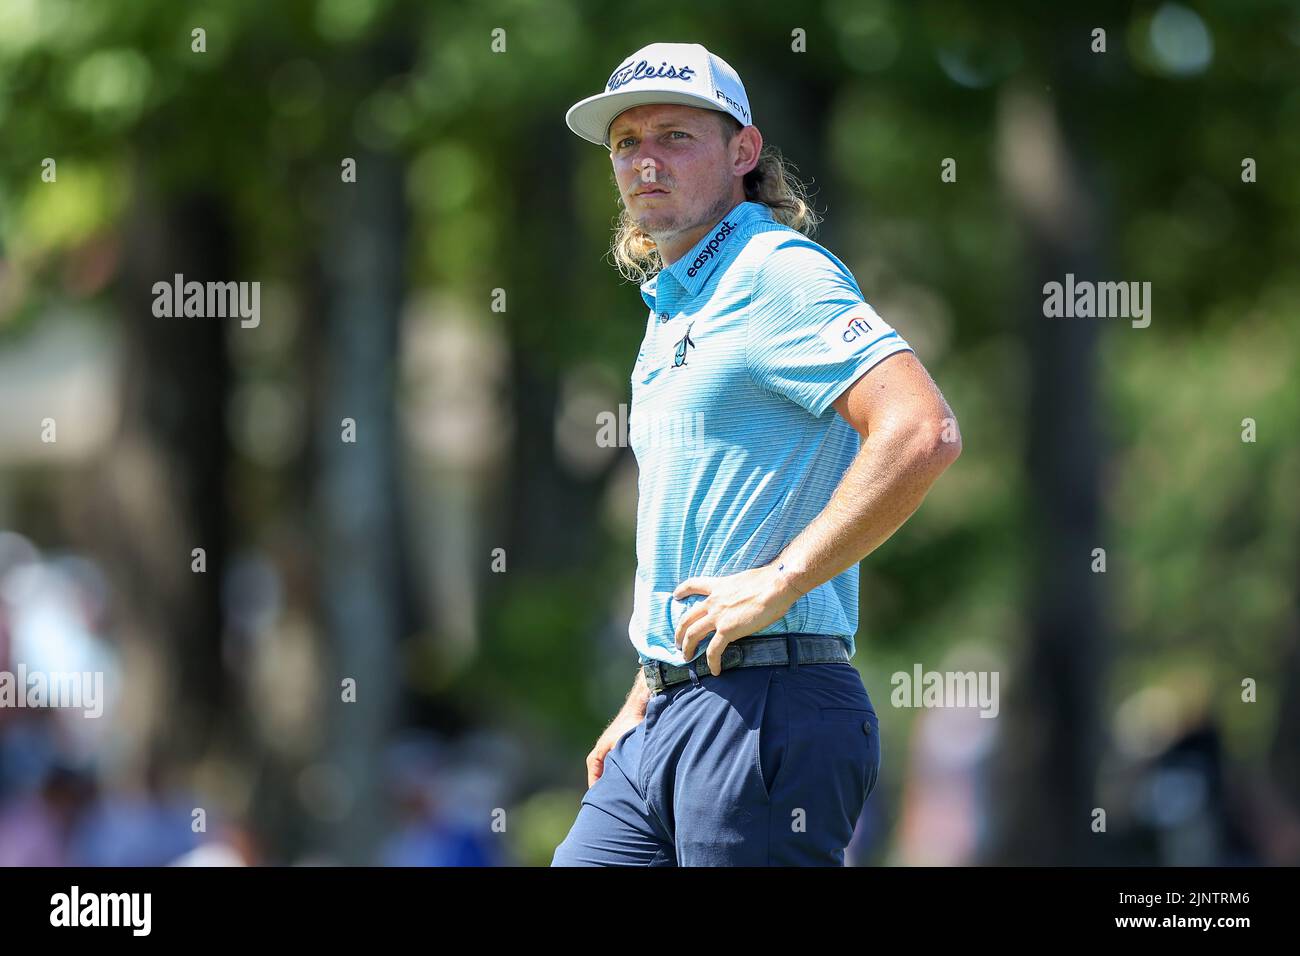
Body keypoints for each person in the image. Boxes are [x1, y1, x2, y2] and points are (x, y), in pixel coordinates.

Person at [552, 42, 961, 866]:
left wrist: (782, 580)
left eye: (675, 136)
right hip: (670, 711)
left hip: (771, 706)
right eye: (627, 144)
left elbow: (922, 430)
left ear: (743, 151)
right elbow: (702, 527)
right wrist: (646, 690)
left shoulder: (774, 273)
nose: (645, 161)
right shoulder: (671, 307)